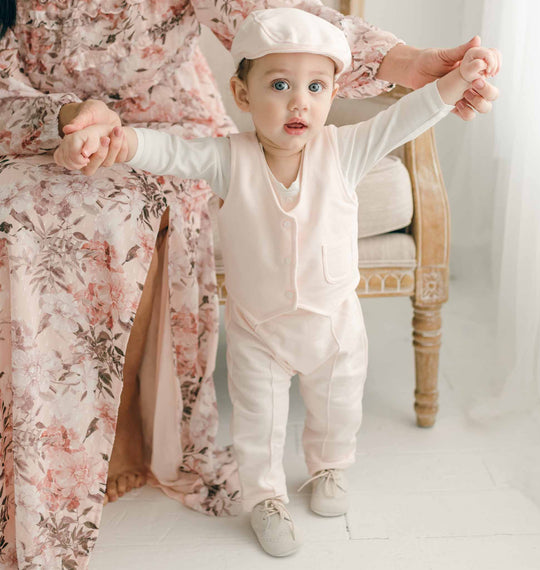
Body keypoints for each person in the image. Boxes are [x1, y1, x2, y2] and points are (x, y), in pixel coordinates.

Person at [0, 1, 498, 567]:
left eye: (316, 87)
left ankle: (330, 467)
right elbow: (167, 150)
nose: (298, 102)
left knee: (338, 410)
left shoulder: (345, 149)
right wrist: (119, 139)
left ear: (334, 95)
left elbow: (407, 117)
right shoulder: (227, 158)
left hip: (334, 326)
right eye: (280, 84)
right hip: (258, 332)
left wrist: (459, 78)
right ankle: (265, 499)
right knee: (258, 426)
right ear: (242, 96)